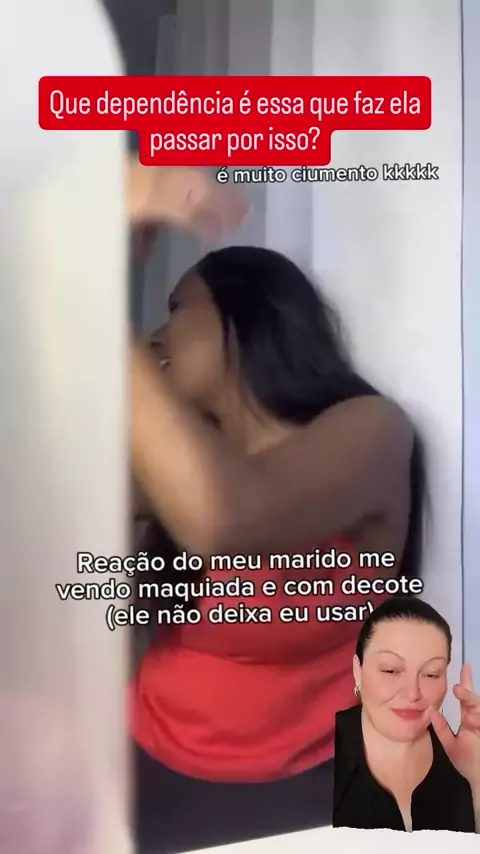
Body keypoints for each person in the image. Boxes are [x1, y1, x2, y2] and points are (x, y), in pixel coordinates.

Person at [126, 164, 425, 852]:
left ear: (249, 318)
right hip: (149, 765)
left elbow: (230, 520)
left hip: (310, 792)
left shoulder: (370, 431)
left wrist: (90, 299)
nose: (157, 336)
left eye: (177, 309)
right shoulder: (174, 467)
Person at [333, 596, 480, 832]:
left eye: (431, 674)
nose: (413, 693)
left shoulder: (459, 755)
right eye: (390, 670)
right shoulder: (319, 758)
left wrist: (476, 779)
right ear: (357, 671)